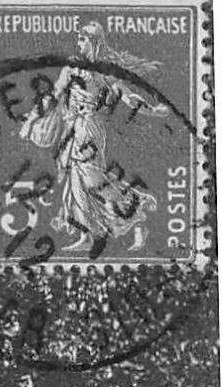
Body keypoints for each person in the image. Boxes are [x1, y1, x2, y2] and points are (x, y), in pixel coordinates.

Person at [18, 22, 162, 253]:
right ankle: (87, 235)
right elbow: (52, 97)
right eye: (78, 39)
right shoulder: (71, 68)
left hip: (91, 127)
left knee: (91, 178)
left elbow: (126, 95)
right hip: (73, 128)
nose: (79, 43)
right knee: (76, 183)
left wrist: (149, 109)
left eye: (83, 39)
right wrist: (30, 121)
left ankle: (136, 201)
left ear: (94, 42)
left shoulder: (105, 70)